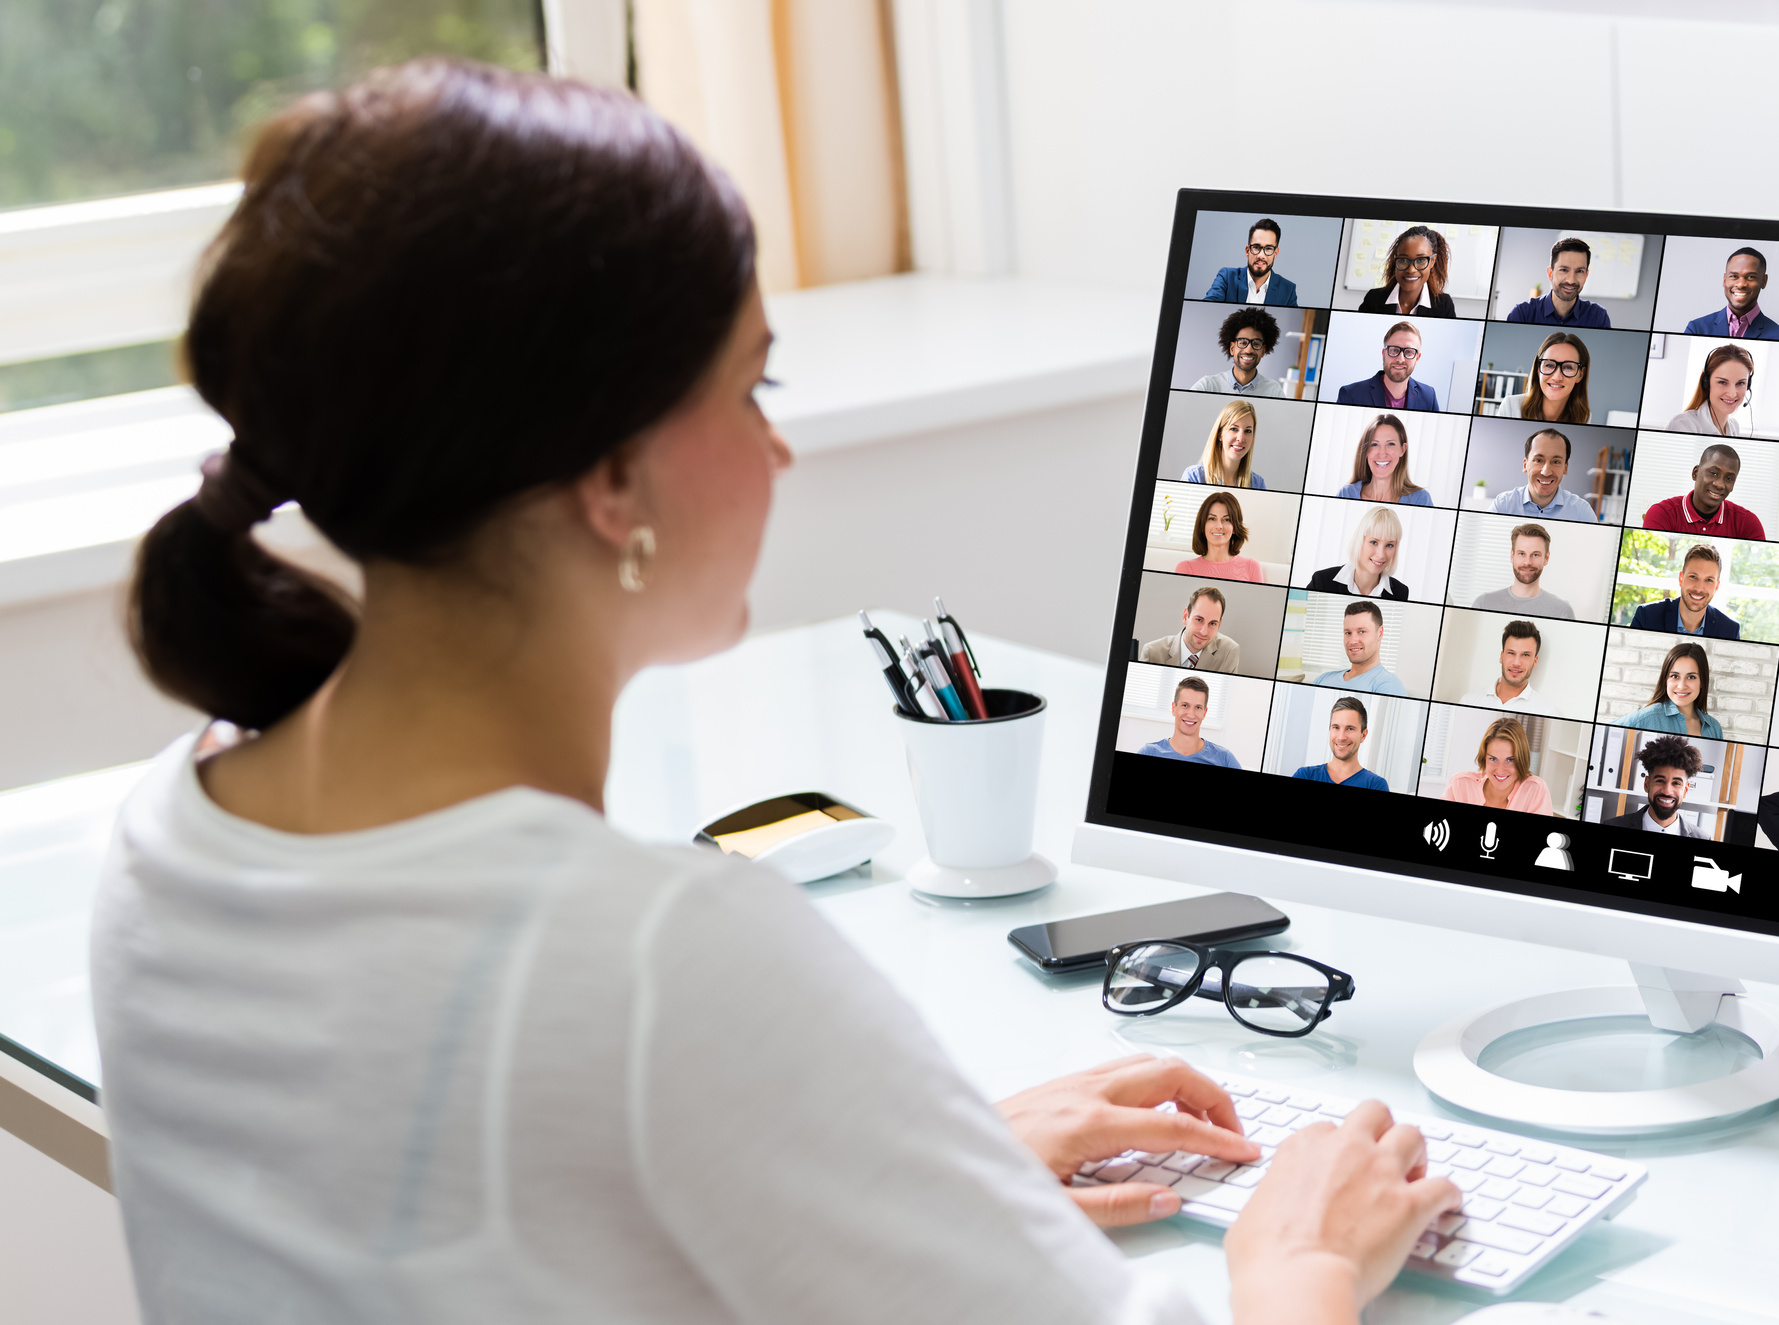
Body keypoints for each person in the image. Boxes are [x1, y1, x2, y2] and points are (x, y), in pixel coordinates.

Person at [102, 61, 1443, 1325]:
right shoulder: (658, 959)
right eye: (753, 386)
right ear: (609, 481)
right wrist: (1302, 1256)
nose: (778, 445)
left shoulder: (173, 831)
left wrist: (905, 1167)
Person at [1640, 442, 1766, 538]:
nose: (1720, 485)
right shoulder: (1662, 514)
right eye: (1713, 473)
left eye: (1729, 478)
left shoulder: (1748, 523)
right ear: (1695, 473)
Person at [1626, 544, 1741, 638]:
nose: (1699, 589)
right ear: (1681, 578)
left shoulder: (1730, 630)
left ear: (1716, 587)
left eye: (1709, 580)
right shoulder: (1646, 617)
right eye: (1693, 577)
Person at [1606, 735, 1712, 836]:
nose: (1667, 791)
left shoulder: (1702, 838)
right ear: (1647, 784)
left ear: (1685, 790)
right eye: (1660, 781)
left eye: (1676, 783)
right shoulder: (1611, 825)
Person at [1466, 522, 1577, 618]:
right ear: (1512, 556)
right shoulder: (1483, 603)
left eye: (1535, 555)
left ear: (1546, 558)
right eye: (1522, 553)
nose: (1527, 562)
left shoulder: (1562, 611)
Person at [1441, 716, 1551, 812]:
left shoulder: (1535, 790)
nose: (1500, 770)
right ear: (1484, 758)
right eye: (1493, 759)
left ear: (1521, 759)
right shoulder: (1460, 784)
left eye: (1510, 760)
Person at [1484, 429, 1595, 523]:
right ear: (1525, 465)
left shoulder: (1582, 512)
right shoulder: (1503, 505)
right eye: (1538, 460)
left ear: (1565, 468)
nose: (1546, 472)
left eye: (1556, 462)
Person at [1681, 246, 1779, 339]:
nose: (1741, 284)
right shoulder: (1696, 329)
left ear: (1763, 281)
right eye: (1734, 276)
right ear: (1724, 280)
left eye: (1751, 277)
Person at [1305, 506, 1414, 599]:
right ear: (1360, 541)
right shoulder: (1322, 582)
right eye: (1374, 542)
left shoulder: (1401, 592)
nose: (1381, 554)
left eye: (1389, 545)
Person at [1617, 642, 1722, 738]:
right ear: (1665, 679)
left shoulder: (1714, 728)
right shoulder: (1647, 717)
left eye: (1691, 677)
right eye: (1675, 676)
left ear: (1702, 682)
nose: (1681, 686)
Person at [1187, 307, 1297, 398]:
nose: (1249, 350)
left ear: (1263, 351)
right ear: (1232, 348)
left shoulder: (1273, 391)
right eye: (1243, 342)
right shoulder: (1208, 385)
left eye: (1256, 343)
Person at [1136, 675, 1243, 767]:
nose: (1191, 714)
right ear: (1174, 708)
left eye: (1198, 707)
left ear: (1204, 713)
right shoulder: (1149, 752)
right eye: (1185, 705)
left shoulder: (1224, 758)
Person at [1505, 236, 1612, 327]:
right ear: (1550, 273)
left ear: (1586, 275)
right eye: (1564, 270)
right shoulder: (1522, 314)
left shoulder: (1598, 317)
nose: (1571, 280)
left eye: (1579, 271)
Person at [1293, 695, 1395, 789]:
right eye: (1336, 727)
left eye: (1350, 728)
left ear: (1363, 735)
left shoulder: (1375, 784)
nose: (1341, 737)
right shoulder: (1305, 775)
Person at [1311, 600, 1410, 696]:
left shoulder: (1388, 685)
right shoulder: (1323, 679)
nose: (1352, 641)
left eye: (1362, 631)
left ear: (1380, 633)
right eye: (1348, 633)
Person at [1332, 322, 1438, 411]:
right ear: (1384, 354)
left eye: (1409, 352)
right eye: (1394, 350)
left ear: (1417, 358)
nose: (1400, 359)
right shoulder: (1351, 394)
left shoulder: (1429, 396)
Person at [1198, 217, 1303, 306]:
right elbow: (1207, 307)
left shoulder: (1288, 290)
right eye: (1256, 247)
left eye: (1268, 248)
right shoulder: (1227, 277)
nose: (1261, 255)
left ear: (1275, 253)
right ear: (1247, 251)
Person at [1332, 414, 1433, 505]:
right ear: (1366, 450)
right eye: (1374, 444)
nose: (1382, 453)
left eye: (1390, 444)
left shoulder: (1420, 499)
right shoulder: (1346, 494)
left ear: (1403, 449)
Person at [1140, 585, 1246, 671]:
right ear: (1186, 616)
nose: (1204, 632)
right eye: (1199, 620)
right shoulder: (1152, 653)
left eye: (1212, 623)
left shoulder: (1229, 651)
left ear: (1219, 624)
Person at [1356, 224, 1455, 317]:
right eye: (1403, 260)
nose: (1411, 270)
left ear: (1432, 261)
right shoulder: (1373, 299)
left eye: (1420, 260)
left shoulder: (1444, 305)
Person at [1662, 344, 1756, 437]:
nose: (1732, 394)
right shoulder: (1684, 425)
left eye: (1740, 383)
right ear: (1706, 383)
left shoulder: (1734, 427)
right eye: (1723, 382)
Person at [1172, 490, 1264, 580]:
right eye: (1212, 518)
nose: (1219, 526)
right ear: (1203, 525)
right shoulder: (1185, 568)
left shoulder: (1252, 567)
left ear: (1235, 528)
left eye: (1227, 519)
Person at [1464, 619, 1553, 713]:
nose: (1516, 663)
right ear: (1501, 656)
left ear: (1535, 661)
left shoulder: (1546, 711)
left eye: (1525, 655)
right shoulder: (1469, 701)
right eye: (1511, 653)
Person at [1180, 398, 1270, 488]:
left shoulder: (1258, 484)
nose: (1241, 438)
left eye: (1248, 431)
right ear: (1220, 435)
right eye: (1234, 429)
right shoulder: (1194, 477)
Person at [1515, 332, 1595, 423]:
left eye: (1568, 367)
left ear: (1580, 375)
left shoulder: (1584, 418)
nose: (1557, 377)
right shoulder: (1512, 407)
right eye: (1549, 365)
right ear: (1538, 369)